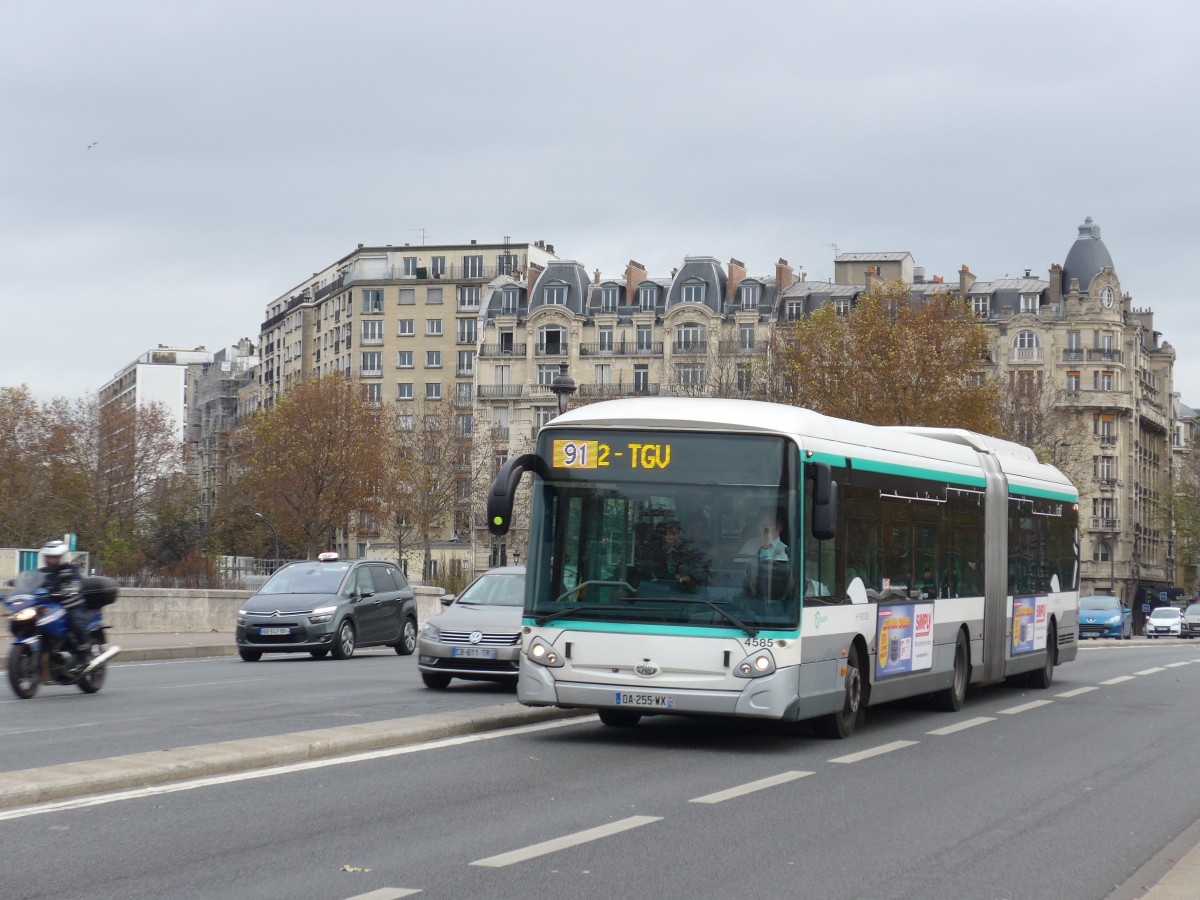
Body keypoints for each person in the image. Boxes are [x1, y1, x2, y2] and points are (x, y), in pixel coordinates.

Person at [39, 539, 90, 671]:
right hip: (52, 607)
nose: (50, 560)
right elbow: (33, 583)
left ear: (62, 557)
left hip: (71, 605)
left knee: (75, 623)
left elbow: (77, 583)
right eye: (48, 557)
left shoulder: (71, 569)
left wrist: (71, 588)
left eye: (54, 558)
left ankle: (85, 656)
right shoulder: (43, 572)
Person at [739, 506, 789, 599]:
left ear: (779, 527)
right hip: (746, 592)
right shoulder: (750, 544)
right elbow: (736, 568)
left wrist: (765, 548)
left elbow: (770, 577)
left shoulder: (784, 550)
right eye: (762, 524)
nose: (765, 529)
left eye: (769, 525)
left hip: (770, 598)